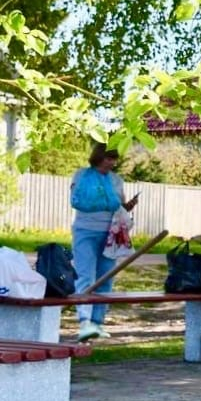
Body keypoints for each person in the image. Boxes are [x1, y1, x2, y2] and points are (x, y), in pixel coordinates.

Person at [70, 142, 139, 342]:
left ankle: (98, 323)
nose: (112, 162)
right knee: (85, 276)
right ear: (99, 157)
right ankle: (84, 322)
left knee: (106, 277)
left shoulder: (116, 180)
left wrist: (129, 206)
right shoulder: (82, 175)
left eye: (114, 159)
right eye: (109, 158)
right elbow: (77, 200)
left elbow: (118, 207)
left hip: (111, 233)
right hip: (85, 230)